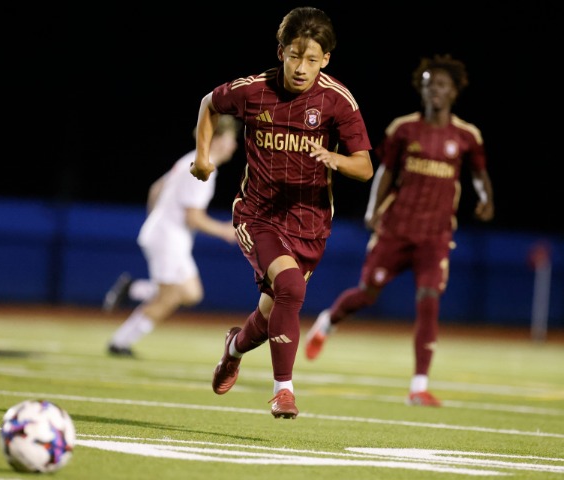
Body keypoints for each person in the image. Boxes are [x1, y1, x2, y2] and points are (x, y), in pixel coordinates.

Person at [190, 7, 373, 419]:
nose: (301, 68)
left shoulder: (337, 100)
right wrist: (203, 158)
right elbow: (209, 104)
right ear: (281, 52)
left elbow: (364, 167)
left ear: (326, 59)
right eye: (294, 56)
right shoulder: (253, 90)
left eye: (311, 59)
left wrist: (335, 159)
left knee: (272, 310)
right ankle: (283, 391)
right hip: (257, 215)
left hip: (310, 224)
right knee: (290, 287)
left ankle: (234, 348)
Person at [304, 54, 495, 407]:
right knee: (367, 293)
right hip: (396, 229)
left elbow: (479, 173)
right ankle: (327, 321)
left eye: (441, 85)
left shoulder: (467, 135)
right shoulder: (403, 129)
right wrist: (372, 209)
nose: (434, 91)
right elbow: (386, 172)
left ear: (454, 91)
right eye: (429, 84)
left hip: (435, 236)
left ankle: (418, 386)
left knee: (429, 299)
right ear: (421, 89)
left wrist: (486, 198)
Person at [105, 115, 240, 357]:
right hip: (169, 239)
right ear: (216, 139)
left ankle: (133, 289)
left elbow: (155, 189)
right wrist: (224, 231)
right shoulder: (203, 168)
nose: (234, 145)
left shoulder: (191, 159)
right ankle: (120, 342)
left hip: (167, 236)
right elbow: (193, 218)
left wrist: (157, 221)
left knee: (191, 293)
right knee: (169, 297)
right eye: (230, 139)